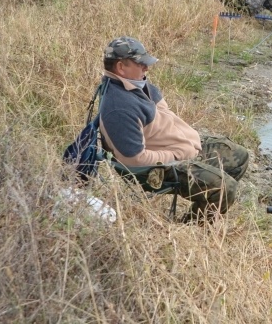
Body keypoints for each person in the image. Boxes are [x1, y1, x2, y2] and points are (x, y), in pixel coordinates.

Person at [98, 36, 249, 221]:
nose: (146, 67)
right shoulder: (118, 108)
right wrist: (176, 155)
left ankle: (204, 206)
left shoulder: (136, 84)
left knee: (239, 155)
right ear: (121, 67)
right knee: (225, 187)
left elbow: (165, 114)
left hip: (178, 148)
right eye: (141, 63)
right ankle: (194, 227)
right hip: (157, 169)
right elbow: (135, 160)